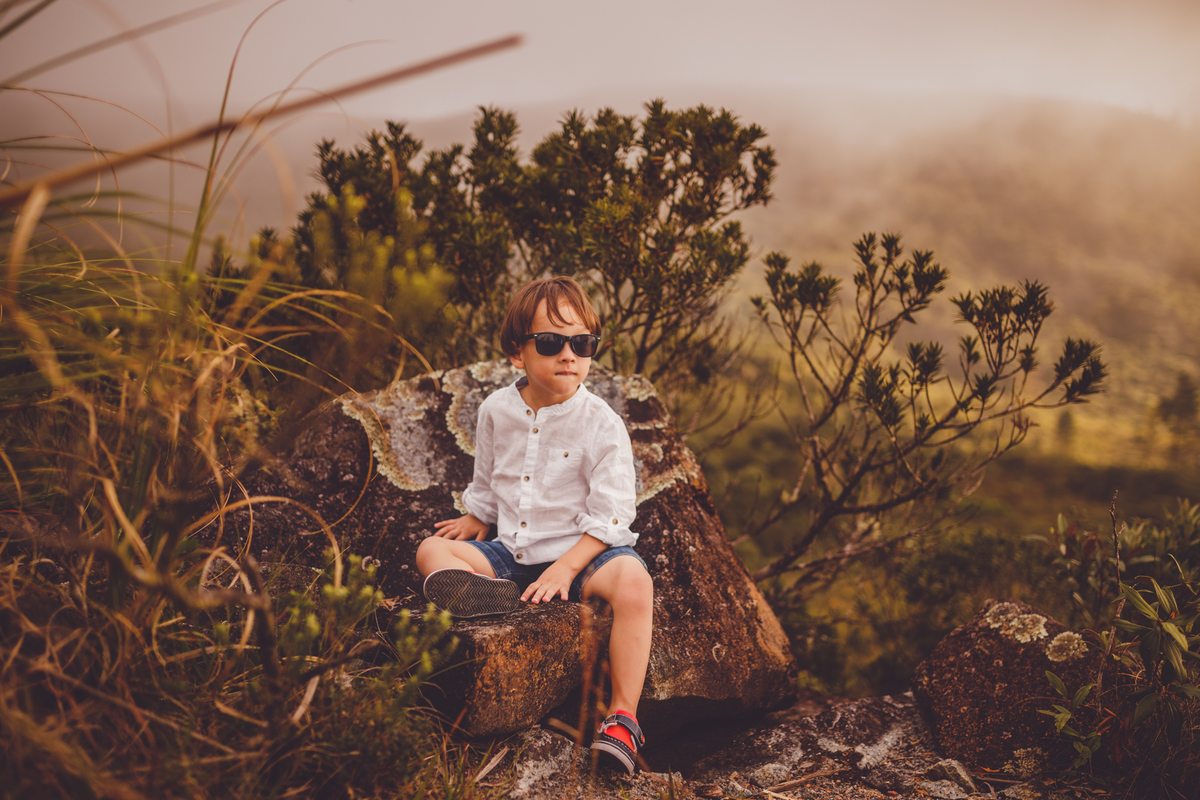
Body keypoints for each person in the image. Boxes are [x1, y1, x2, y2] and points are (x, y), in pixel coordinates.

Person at [414, 276, 654, 773]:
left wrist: (567, 568)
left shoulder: (601, 422)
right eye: (551, 342)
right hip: (514, 553)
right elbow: (488, 475)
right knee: (430, 551)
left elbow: (612, 513)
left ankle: (623, 721)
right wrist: (476, 514)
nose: (569, 354)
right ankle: (483, 595)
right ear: (517, 354)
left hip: (586, 554)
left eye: (582, 343)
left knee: (635, 583)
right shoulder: (496, 410)